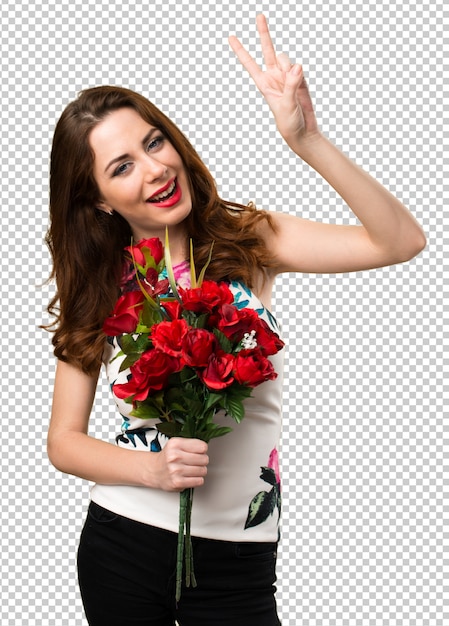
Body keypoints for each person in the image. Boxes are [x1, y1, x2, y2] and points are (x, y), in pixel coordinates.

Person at [45, 14, 426, 626]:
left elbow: (401, 240)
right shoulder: (100, 285)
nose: (154, 170)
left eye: (153, 142)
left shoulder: (247, 238)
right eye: (120, 167)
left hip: (239, 562)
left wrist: (308, 142)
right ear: (96, 198)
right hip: (124, 546)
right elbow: (62, 442)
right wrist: (152, 468)